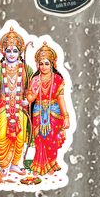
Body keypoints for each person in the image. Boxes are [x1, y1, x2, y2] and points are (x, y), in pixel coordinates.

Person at [0, 27, 32, 176]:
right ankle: (3, 166)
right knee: (2, 135)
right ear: (3, 52)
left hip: (20, 106)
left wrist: (28, 101)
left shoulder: (26, 69)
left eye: (15, 51)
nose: (12, 54)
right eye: (8, 51)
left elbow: (31, 89)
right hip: (3, 105)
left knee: (20, 137)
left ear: (20, 52)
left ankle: (15, 165)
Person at [25, 42, 69, 175]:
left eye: (46, 64)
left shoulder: (58, 79)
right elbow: (29, 99)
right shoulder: (35, 80)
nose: (44, 67)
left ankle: (51, 164)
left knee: (51, 138)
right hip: (38, 110)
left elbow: (61, 98)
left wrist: (66, 116)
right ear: (38, 65)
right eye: (41, 64)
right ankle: (38, 165)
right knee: (39, 138)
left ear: (52, 64)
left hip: (54, 111)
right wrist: (32, 94)